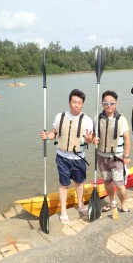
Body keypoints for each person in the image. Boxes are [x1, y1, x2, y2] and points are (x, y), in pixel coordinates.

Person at [40, 89, 93, 224]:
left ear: (82, 104)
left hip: (78, 157)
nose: (76, 105)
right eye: (74, 102)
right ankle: (63, 211)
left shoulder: (87, 120)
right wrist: (48, 137)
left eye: (79, 103)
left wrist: (88, 139)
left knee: (80, 183)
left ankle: (81, 205)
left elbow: (88, 140)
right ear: (69, 102)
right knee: (64, 185)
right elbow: (53, 134)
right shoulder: (60, 117)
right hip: (62, 157)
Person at [92, 90, 131, 217]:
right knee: (107, 182)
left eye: (112, 103)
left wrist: (126, 155)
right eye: (106, 103)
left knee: (119, 184)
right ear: (102, 104)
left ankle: (123, 203)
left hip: (117, 157)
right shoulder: (96, 118)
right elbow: (93, 135)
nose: (109, 105)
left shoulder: (122, 119)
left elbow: (127, 138)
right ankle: (112, 201)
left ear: (116, 104)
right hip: (102, 157)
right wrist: (93, 138)